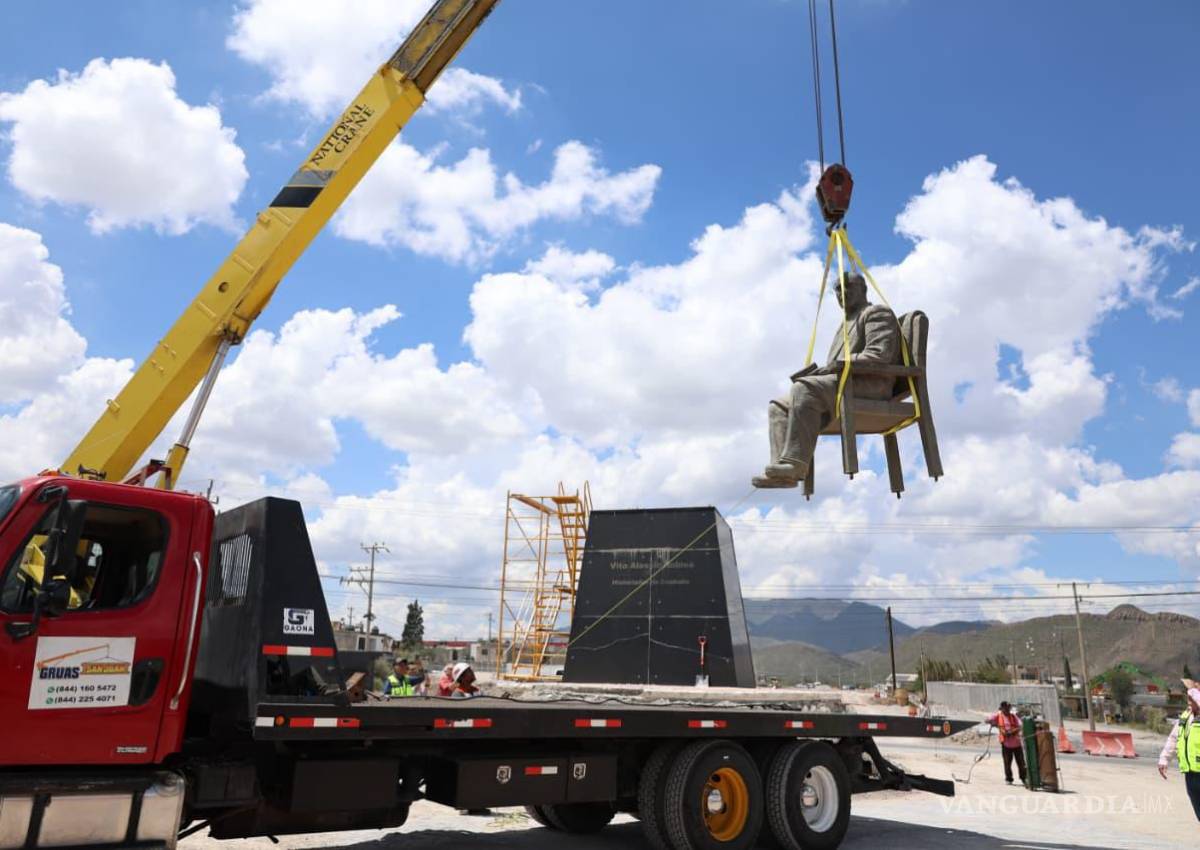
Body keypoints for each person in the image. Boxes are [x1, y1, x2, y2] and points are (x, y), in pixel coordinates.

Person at [754, 271, 902, 488]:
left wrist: (836, 365)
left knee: (803, 389)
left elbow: (879, 354)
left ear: (863, 289)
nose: (842, 293)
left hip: (871, 385)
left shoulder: (876, 313)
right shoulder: (844, 324)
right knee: (778, 406)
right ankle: (782, 472)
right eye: (838, 290)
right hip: (844, 384)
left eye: (848, 286)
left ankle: (795, 463)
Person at [1158, 679, 1200, 821]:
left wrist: (1193, 689)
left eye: (1191, 698)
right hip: (1191, 773)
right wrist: (1164, 759)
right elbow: (1174, 738)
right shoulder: (1186, 716)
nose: (1188, 700)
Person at [987, 701, 1027, 786]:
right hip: (1006, 744)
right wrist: (994, 724)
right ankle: (1009, 779)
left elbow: (1021, 725)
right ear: (1002, 708)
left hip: (1017, 743)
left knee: (1021, 763)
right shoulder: (998, 716)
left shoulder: (1013, 716)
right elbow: (987, 720)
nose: (1007, 709)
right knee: (1007, 763)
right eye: (1005, 708)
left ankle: (1024, 778)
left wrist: (1013, 732)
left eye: (1008, 708)